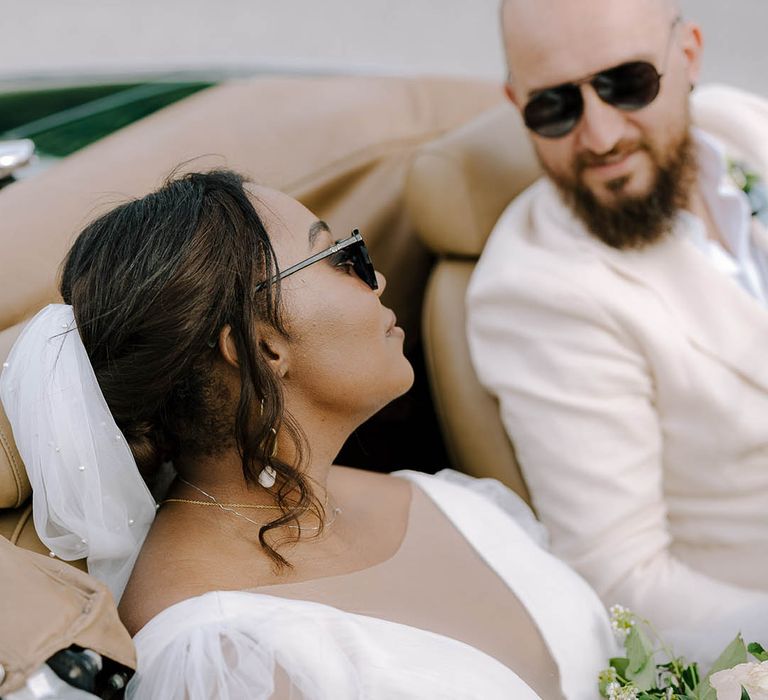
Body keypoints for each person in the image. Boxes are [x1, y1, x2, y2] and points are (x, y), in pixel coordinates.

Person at [0, 170, 615, 699]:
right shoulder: (221, 661)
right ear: (257, 345)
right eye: (342, 257)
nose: (374, 280)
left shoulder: (429, 495)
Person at [467, 0, 768, 652]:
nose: (600, 136)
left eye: (626, 84)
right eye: (554, 106)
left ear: (687, 56)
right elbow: (622, 580)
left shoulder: (745, 128)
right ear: (516, 102)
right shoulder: (538, 293)